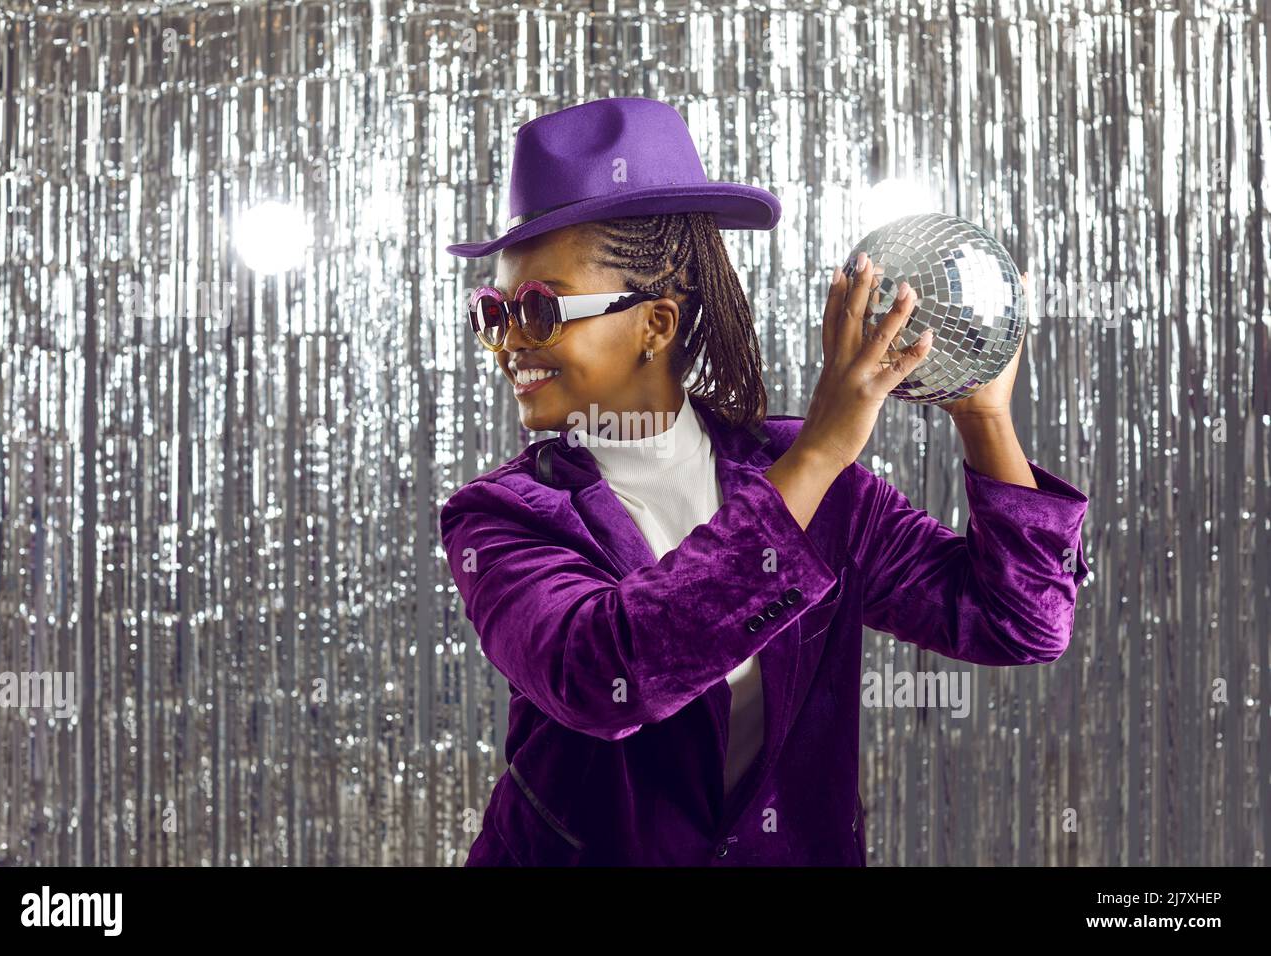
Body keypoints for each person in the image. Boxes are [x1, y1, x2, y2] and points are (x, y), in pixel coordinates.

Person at [440, 96, 1090, 866]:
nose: (509, 343)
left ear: (657, 323)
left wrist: (983, 415)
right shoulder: (501, 516)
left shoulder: (809, 477)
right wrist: (817, 453)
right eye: (493, 313)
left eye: (539, 309)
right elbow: (604, 671)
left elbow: (1018, 622)